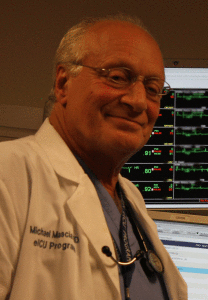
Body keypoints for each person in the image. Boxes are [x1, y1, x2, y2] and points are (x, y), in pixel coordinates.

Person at [0, 14, 187, 300]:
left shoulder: (131, 198)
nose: (137, 101)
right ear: (63, 83)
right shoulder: (9, 174)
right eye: (117, 77)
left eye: (152, 89)